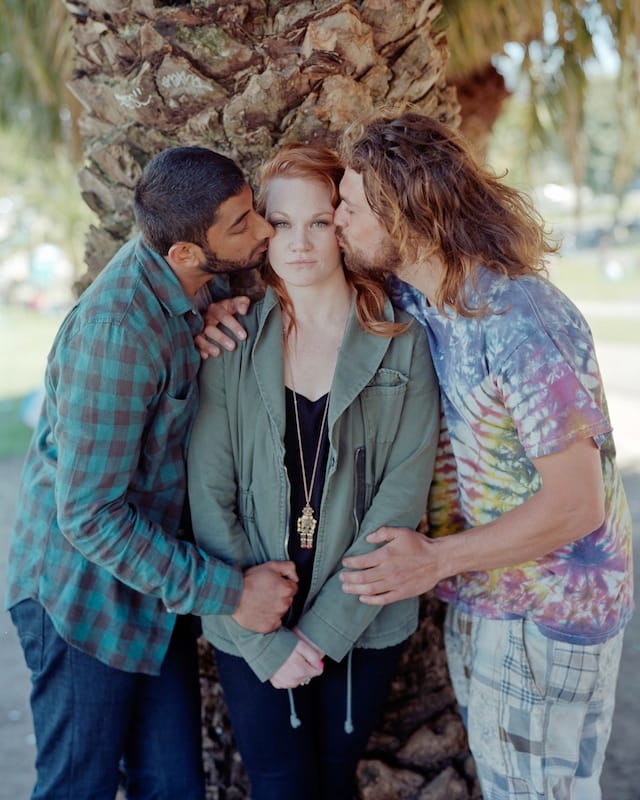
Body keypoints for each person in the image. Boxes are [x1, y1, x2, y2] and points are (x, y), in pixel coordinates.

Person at [333, 112, 634, 800]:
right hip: (487, 595)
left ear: (404, 214)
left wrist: (434, 560)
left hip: (547, 615)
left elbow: (576, 505)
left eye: (349, 207)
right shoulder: (426, 298)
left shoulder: (520, 319)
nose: (338, 220)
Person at [5, 146, 299, 800]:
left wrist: (207, 316)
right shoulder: (116, 335)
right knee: (76, 788)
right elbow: (89, 517)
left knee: (172, 788)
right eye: (242, 224)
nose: (264, 229)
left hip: (153, 593)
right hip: (81, 601)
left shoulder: (192, 283)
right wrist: (231, 592)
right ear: (185, 253)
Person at [187, 143, 440, 800]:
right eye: (282, 223)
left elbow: (402, 496)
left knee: (332, 782)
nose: (299, 243)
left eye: (319, 222)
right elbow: (209, 493)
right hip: (249, 613)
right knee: (280, 785)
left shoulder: (402, 343)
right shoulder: (232, 341)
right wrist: (263, 641)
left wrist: (324, 633)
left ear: (344, 225)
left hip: (363, 614)